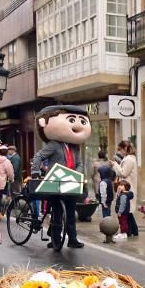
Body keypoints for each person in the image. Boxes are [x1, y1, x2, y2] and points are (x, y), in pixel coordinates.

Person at [30, 105, 92, 250]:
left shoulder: (75, 147)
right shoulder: (53, 145)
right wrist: (35, 172)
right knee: (57, 212)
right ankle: (55, 239)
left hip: (71, 182)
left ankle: (73, 239)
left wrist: (78, 174)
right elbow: (39, 156)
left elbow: (79, 163)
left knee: (70, 211)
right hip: (56, 181)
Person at [110, 140, 138, 233]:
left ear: (125, 148)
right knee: (128, 212)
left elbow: (123, 173)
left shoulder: (129, 159)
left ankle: (130, 231)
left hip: (126, 187)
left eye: (120, 149)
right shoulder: (129, 158)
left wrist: (115, 165)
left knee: (126, 211)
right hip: (126, 186)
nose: (119, 151)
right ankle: (133, 231)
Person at [93, 151, 115, 217]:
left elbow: (92, 173)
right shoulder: (108, 163)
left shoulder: (95, 164)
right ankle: (107, 214)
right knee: (108, 199)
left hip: (98, 181)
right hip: (108, 183)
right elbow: (112, 172)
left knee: (99, 196)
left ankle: (102, 212)